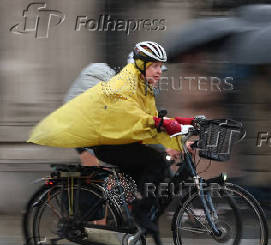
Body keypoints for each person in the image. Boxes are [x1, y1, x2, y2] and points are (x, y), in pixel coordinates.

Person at [28, 41, 195, 232]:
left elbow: (145, 125)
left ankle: (123, 214)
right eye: (154, 67)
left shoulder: (139, 88)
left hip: (102, 134)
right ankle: (101, 237)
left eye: (159, 68)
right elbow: (137, 122)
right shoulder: (121, 86)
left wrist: (172, 140)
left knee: (134, 172)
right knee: (97, 175)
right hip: (88, 134)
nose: (158, 73)